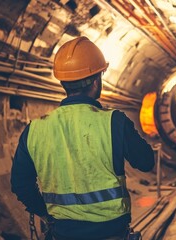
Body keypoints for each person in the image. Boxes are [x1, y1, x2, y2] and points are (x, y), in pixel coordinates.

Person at [11, 36, 155, 240]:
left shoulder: (34, 130)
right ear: (96, 81)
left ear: (63, 83)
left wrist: (44, 213)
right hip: (111, 232)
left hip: (62, 232)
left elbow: (20, 184)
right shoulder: (114, 122)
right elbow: (146, 161)